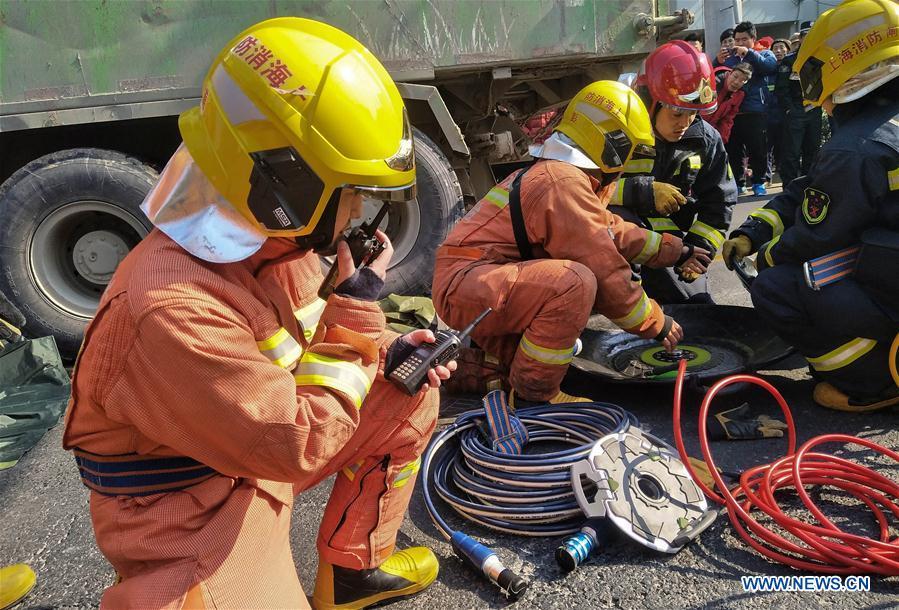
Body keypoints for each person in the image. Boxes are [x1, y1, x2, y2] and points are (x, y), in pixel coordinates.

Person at [63, 18, 455, 609]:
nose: (357, 212)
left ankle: (350, 575)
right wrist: (356, 321)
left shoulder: (276, 244)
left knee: (409, 393)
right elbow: (297, 444)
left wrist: (383, 359)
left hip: (254, 441)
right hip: (185, 505)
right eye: (348, 190)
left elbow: (295, 363)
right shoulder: (168, 308)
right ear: (284, 182)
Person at [432, 80, 710, 405]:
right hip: (469, 287)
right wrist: (656, 323)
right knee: (574, 283)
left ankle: (485, 371)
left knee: (547, 334)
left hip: (475, 282)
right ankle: (535, 394)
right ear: (612, 142)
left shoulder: (561, 175)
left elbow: (610, 231)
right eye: (629, 148)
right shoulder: (562, 183)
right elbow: (605, 267)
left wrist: (677, 251)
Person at [722, 0, 899, 413]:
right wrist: (755, 231)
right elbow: (812, 189)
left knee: (778, 286)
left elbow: (817, 236)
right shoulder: (876, 131)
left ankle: (869, 382)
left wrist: (763, 257)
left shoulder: (856, 147)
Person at [612, 41, 736, 304]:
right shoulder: (618, 131)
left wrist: (697, 252)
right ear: (650, 101)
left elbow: (719, 203)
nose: (685, 123)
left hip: (672, 245)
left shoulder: (706, 140)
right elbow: (578, 190)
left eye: (694, 114)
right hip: (617, 239)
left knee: (696, 307)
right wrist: (644, 192)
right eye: (678, 112)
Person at [714, 21, 778, 196]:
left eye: (744, 39)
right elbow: (717, 75)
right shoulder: (730, 57)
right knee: (733, 150)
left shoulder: (764, 53)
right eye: (737, 40)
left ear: (753, 38)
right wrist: (717, 60)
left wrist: (749, 53)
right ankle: (738, 183)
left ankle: (759, 182)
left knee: (758, 150)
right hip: (731, 113)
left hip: (756, 111)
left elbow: (770, 67)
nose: (739, 43)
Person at [776, 22, 824, 187]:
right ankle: (790, 185)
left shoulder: (821, 58)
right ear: (801, 38)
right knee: (792, 152)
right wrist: (790, 109)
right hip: (796, 109)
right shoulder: (789, 61)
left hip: (815, 108)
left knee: (813, 149)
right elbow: (781, 89)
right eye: (806, 36)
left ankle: (810, 183)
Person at [766, 39, 793, 183]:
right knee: (767, 148)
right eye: (775, 48)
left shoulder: (791, 68)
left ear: (787, 50)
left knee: (783, 148)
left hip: (785, 115)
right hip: (768, 115)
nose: (778, 51)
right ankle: (766, 178)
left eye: (781, 47)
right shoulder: (767, 70)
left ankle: (783, 176)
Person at [705, 63, 752, 143]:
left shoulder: (739, 95)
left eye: (742, 80)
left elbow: (727, 119)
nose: (737, 82)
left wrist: (721, 139)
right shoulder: (712, 83)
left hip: (710, 134)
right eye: (735, 76)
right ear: (730, 73)